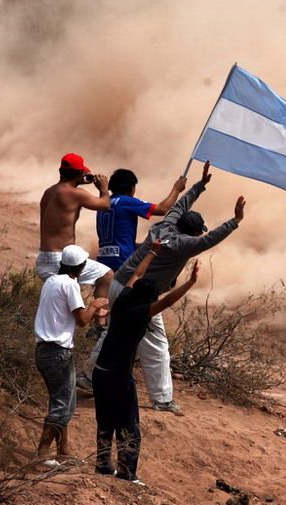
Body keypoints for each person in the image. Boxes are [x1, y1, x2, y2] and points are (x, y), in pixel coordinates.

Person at [85, 160, 245, 413]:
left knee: (113, 333)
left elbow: (180, 205)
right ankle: (161, 399)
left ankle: (87, 376)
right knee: (156, 345)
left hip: (120, 281)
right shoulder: (184, 244)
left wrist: (200, 185)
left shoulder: (165, 225)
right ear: (193, 234)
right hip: (138, 295)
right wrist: (235, 220)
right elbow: (210, 238)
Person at [93, 241, 199, 485]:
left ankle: (102, 464)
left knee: (105, 421)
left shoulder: (123, 300)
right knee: (129, 424)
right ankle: (127, 473)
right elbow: (168, 301)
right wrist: (191, 283)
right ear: (148, 300)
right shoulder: (140, 312)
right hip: (119, 376)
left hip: (101, 372)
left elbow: (136, 274)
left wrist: (152, 251)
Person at [33, 245, 108, 467]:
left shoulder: (51, 282)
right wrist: (95, 305)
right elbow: (82, 320)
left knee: (62, 400)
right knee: (62, 404)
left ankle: (63, 451)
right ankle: (42, 454)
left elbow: (66, 313)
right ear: (81, 267)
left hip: (44, 350)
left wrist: (95, 310)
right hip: (58, 352)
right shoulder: (70, 284)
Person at [36, 153, 113, 328]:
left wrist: (78, 179)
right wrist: (103, 187)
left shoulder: (49, 192)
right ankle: (99, 324)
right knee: (106, 275)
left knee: (59, 303)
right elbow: (105, 204)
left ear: (60, 171)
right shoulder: (75, 193)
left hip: (44, 257)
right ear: (80, 173)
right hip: (62, 258)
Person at [96, 169, 187, 271]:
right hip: (122, 260)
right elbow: (162, 209)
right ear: (131, 188)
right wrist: (176, 189)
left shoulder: (103, 204)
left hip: (103, 260)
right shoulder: (126, 201)